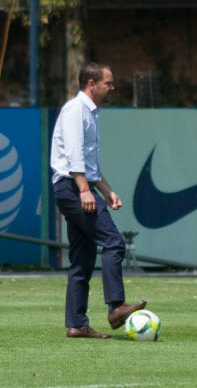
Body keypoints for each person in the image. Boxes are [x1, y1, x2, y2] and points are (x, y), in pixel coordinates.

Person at [51, 62, 146, 339]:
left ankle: (76, 324)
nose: (112, 87)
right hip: (72, 187)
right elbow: (74, 158)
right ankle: (116, 307)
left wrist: (106, 190)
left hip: (74, 186)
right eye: (108, 83)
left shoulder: (89, 113)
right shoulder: (75, 111)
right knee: (114, 242)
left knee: (82, 259)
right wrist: (83, 190)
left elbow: (89, 164)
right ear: (91, 84)